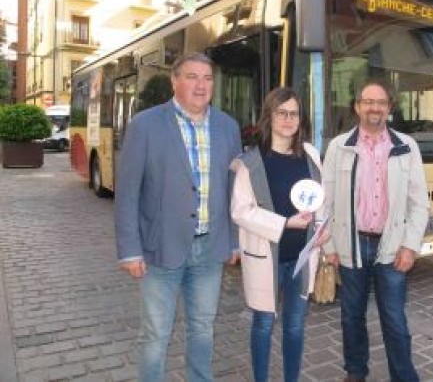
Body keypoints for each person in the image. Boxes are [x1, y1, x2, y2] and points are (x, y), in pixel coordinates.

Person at [115, 53, 242, 382]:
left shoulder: (228, 127)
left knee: (203, 330)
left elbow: (234, 190)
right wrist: (130, 250)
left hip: (209, 251)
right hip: (161, 250)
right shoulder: (145, 124)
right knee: (155, 336)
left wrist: (234, 241)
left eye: (207, 78)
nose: (201, 85)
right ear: (174, 81)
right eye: (191, 76)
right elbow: (127, 192)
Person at [322, 81, 430, 382]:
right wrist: (328, 246)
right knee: (350, 317)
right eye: (368, 101)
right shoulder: (339, 147)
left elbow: (420, 203)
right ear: (357, 107)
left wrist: (410, 246)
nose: (374, 108)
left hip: (392, 246)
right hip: (351, 244)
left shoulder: (407, 146)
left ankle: (404, 377)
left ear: (389, 108)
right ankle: (355, 373)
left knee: (394, 319)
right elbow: (325, 200)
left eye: (381, 102)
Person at [231, 88, 329, 382]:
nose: (288, 119)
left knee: (295, 326)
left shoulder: (310, 154)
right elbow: (241, 211)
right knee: (263, 323)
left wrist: (322, 230)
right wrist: (285, 223)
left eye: (294, 113)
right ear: (269, 116)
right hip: (266, 256)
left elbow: (319, 199)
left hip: (301, 255)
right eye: (281, 113)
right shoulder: (251, 162)